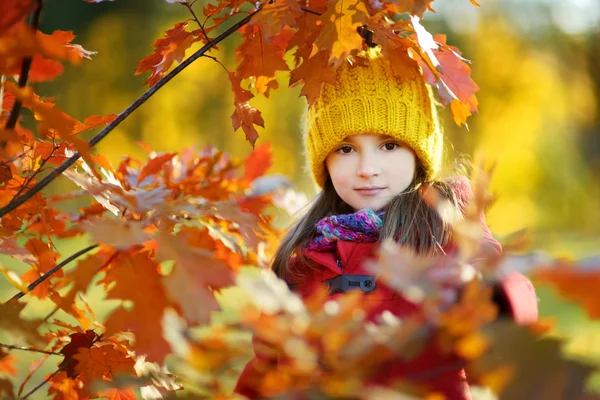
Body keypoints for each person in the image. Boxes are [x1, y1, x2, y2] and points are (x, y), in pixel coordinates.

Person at [234, 51, 538, 399]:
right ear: (324, 159)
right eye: (346, 149)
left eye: (388, 145)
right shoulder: (302, 255)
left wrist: (495, 296)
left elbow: (508, 307)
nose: (367, 168)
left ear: (417, 153)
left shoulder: (443, 223)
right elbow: (264, 370)